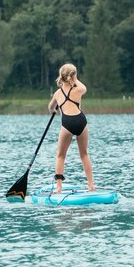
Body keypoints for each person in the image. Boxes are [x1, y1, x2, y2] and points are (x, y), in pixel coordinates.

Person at [48, 63, 95, 193]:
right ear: (73, 76)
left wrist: (54, 111)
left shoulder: (58, 94)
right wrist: (75, 79)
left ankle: (58, 187)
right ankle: (91, 185)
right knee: (84, 154)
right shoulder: (78, 90)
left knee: (60, 156)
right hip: (81, 121)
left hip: (67, 124)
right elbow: (84, 88)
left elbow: (51, 107)